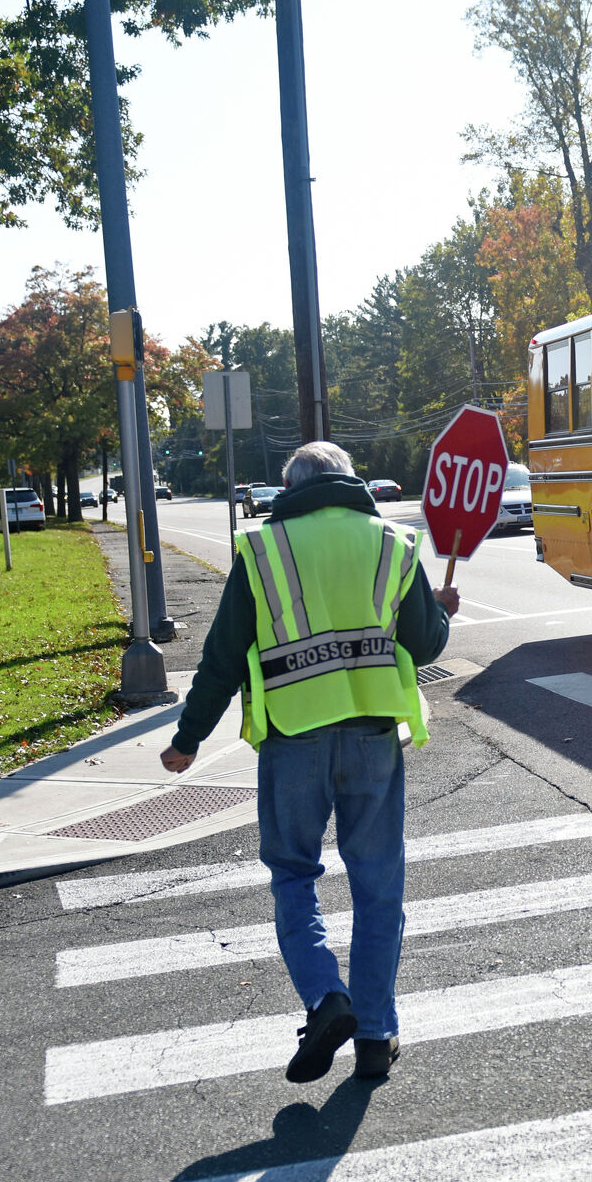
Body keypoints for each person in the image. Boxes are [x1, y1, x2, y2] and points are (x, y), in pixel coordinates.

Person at [159, 441, 458, 1083]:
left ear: (290, 487)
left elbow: (222, 659)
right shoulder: (393, 544)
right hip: (374, 737)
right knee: (379, 888)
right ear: (351, 482)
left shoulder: (262, 552)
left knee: (294, 876)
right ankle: (376, 1036)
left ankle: (327, 999)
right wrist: (442, 615)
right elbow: (426, 642)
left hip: (293, 738)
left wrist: (188, 739)